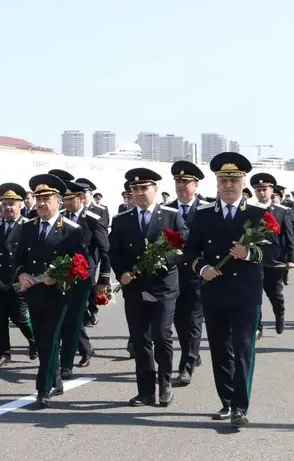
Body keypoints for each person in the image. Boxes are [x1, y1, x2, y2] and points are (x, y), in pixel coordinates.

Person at [183, 152, 280, 427]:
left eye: (233, 180)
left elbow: (274, 251)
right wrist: (203, 269)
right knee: (219, 348)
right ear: (216, 183)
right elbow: (189, 252)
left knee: (243, 348)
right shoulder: (203, 216)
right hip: (215, 292)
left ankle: (240, 406)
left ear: (243, 183)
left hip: (246, 294)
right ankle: (226, 401)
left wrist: (249, 252)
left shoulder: (259, 215)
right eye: (223, 180)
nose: (228, 185)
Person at [109, 168, 187, 407]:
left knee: (162, 336)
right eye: (135, 189)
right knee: (140, 340)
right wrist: (121, 272)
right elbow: (115, 251)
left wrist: (164, 259)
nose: (140, 193)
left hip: (163, 287)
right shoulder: (122, 219)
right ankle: (145, 391)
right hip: (134, 288)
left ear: (155, 190)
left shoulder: (171, 216)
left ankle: (164, 385)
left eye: (144, 188)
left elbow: (183, 246)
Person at [14, 174, 85, 408]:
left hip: (58, 293)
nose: (41, 203)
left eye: (47, 199)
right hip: (34, 291)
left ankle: (42, 389)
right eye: (38, 198)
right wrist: (21, 273)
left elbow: (79, 263)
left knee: (49, 338)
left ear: (58, 201)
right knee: (41, 336)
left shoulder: (72, 230)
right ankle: (55, 379)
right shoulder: (28, 227)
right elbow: (19, 258)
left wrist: (57, 277)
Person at [59, 180, 110, 378]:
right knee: (65, 315)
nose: (66, 202)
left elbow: (105, 251)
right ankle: (84, 348)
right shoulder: (61, 217)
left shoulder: (92, 220)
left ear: (81, 198)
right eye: (64, 199)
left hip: (84, 273)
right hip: (62, 273)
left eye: (70, 199)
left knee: (75, 315)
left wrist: (103, 280)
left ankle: (72, 356)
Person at [166, 161, 206, 385]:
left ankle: (186, 367)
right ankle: (193, 353)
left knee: (192, 323)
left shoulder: (206, 210)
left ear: (196, 184)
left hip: (196, 275)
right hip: (172, 276)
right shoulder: (167, 210)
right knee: (180, 323)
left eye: (186, 182)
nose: (182, 186)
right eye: (178, 181)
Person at [0, 182, 36, 367]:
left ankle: (35, 341)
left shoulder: (28, 226)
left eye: (12, 204)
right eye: (5, 204)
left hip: (19, 281)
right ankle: (3, 353)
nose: (8, 207)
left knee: (21, 317)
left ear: (20, 205)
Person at [249, 173, 294, 337]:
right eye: (258, 190)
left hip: (275, 261)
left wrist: (291, 258)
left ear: (271, 191)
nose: (262, 193)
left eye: (265, 189)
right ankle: (257, 326)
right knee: (254, 295)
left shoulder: (283, 211)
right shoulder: (250, 211)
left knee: (274, 294)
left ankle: (279, 313)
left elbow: (289, 236)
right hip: (254, 261)